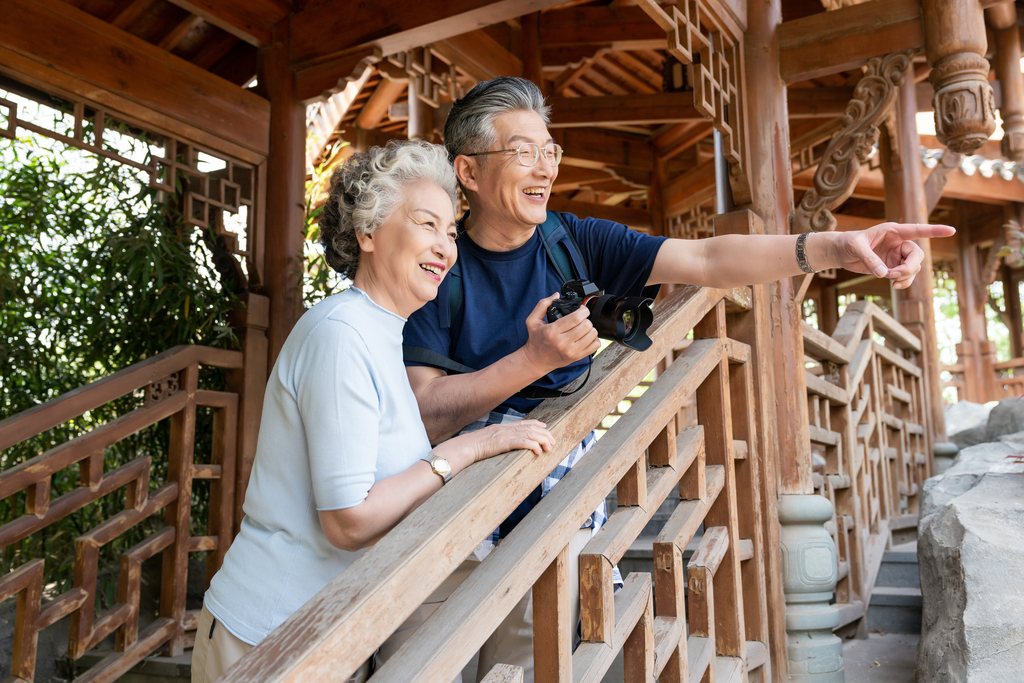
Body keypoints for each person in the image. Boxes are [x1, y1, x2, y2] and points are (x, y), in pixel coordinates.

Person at [402, 76, 956, 681]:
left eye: (549, 150)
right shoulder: (437, 259)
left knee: (531, 662)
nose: (544, 168)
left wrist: (835, 248)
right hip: (455, 509)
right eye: (522, 152)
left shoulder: (573, 241)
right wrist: (533, 361)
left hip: (556, 496)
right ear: (469, 171)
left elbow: (708, 260)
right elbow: (425, 411)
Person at [191, 140, 555, 683]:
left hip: (335, 630)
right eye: (425, 224)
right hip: (271, 636)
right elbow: (349, 519)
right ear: (367, 233)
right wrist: (464, 449)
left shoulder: (382, 334)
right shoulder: (341, 333)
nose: (445, 246)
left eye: (451, 232)